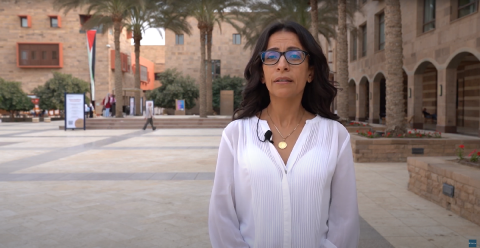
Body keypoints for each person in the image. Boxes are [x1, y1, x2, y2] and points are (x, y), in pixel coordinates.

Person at [208, 21, 359, 248]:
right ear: (261, 73)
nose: (282, 65)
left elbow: (345, 219)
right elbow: (221, 215)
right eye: (271, 56)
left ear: (310, 72)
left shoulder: (334, 135)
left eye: (294, 55)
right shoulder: (236, 134)